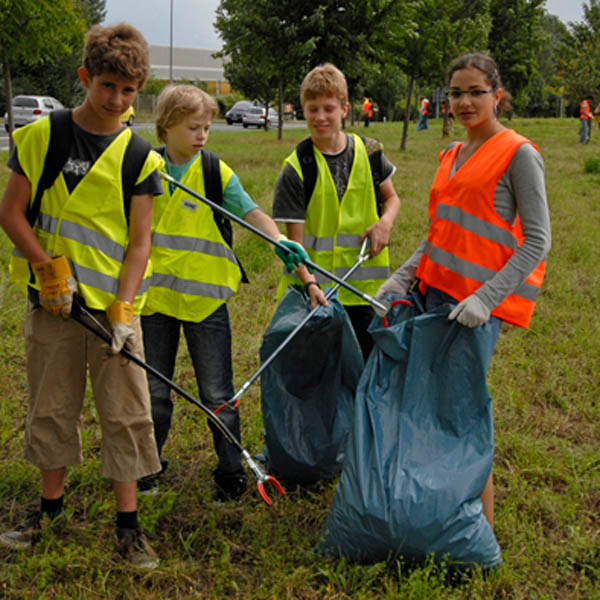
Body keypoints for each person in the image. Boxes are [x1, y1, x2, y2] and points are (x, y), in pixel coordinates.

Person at [0, 23, 165, 569]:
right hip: (53, 306)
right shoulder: (44, 135)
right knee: (51, 407)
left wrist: (124, 307)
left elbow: (139, 243)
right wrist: (47, 269)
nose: (117, 100)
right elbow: (11, 213)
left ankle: (129, 527)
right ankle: (48, 511)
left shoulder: (140, 155)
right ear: (85, 78)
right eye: (107, 86)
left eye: (128, 91)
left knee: (126, 413)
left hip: (112, 312)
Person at [376, 52, 551, 530]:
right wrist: (403, 277)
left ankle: (479, 531)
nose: (466, 101)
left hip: (472, 309)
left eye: (477, 92)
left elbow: (538, 240)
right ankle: (436, 511)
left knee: (461, 414)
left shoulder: (518, 154)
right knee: (428, 407)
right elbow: (440, 232)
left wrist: (485, 300)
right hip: (432, 297)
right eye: (456, 93)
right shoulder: (451, 155)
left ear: (497, 94)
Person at [137, 85, 308, 500]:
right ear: (166, 126)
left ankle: (231, 474)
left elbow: (252, 212)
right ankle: (148, 467)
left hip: (206, 302)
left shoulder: (215, 172)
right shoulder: (144, 170)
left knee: (217, 393)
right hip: (154, 302)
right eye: (193, 127)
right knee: (154, 392)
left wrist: (278, 241)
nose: (202, 135)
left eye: (207, 128)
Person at [272, 63, 401, 360]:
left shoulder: (369, 152)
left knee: (364, 371)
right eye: (312, 109)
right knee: (321, 376)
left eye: (328, 109)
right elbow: (296, 245)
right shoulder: (296, 167)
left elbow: (392, 198)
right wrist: (311, 284)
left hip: (364, 290)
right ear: (302, 110)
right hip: (316, 294)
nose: (320, 117)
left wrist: (385, 223)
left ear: (344, 108)